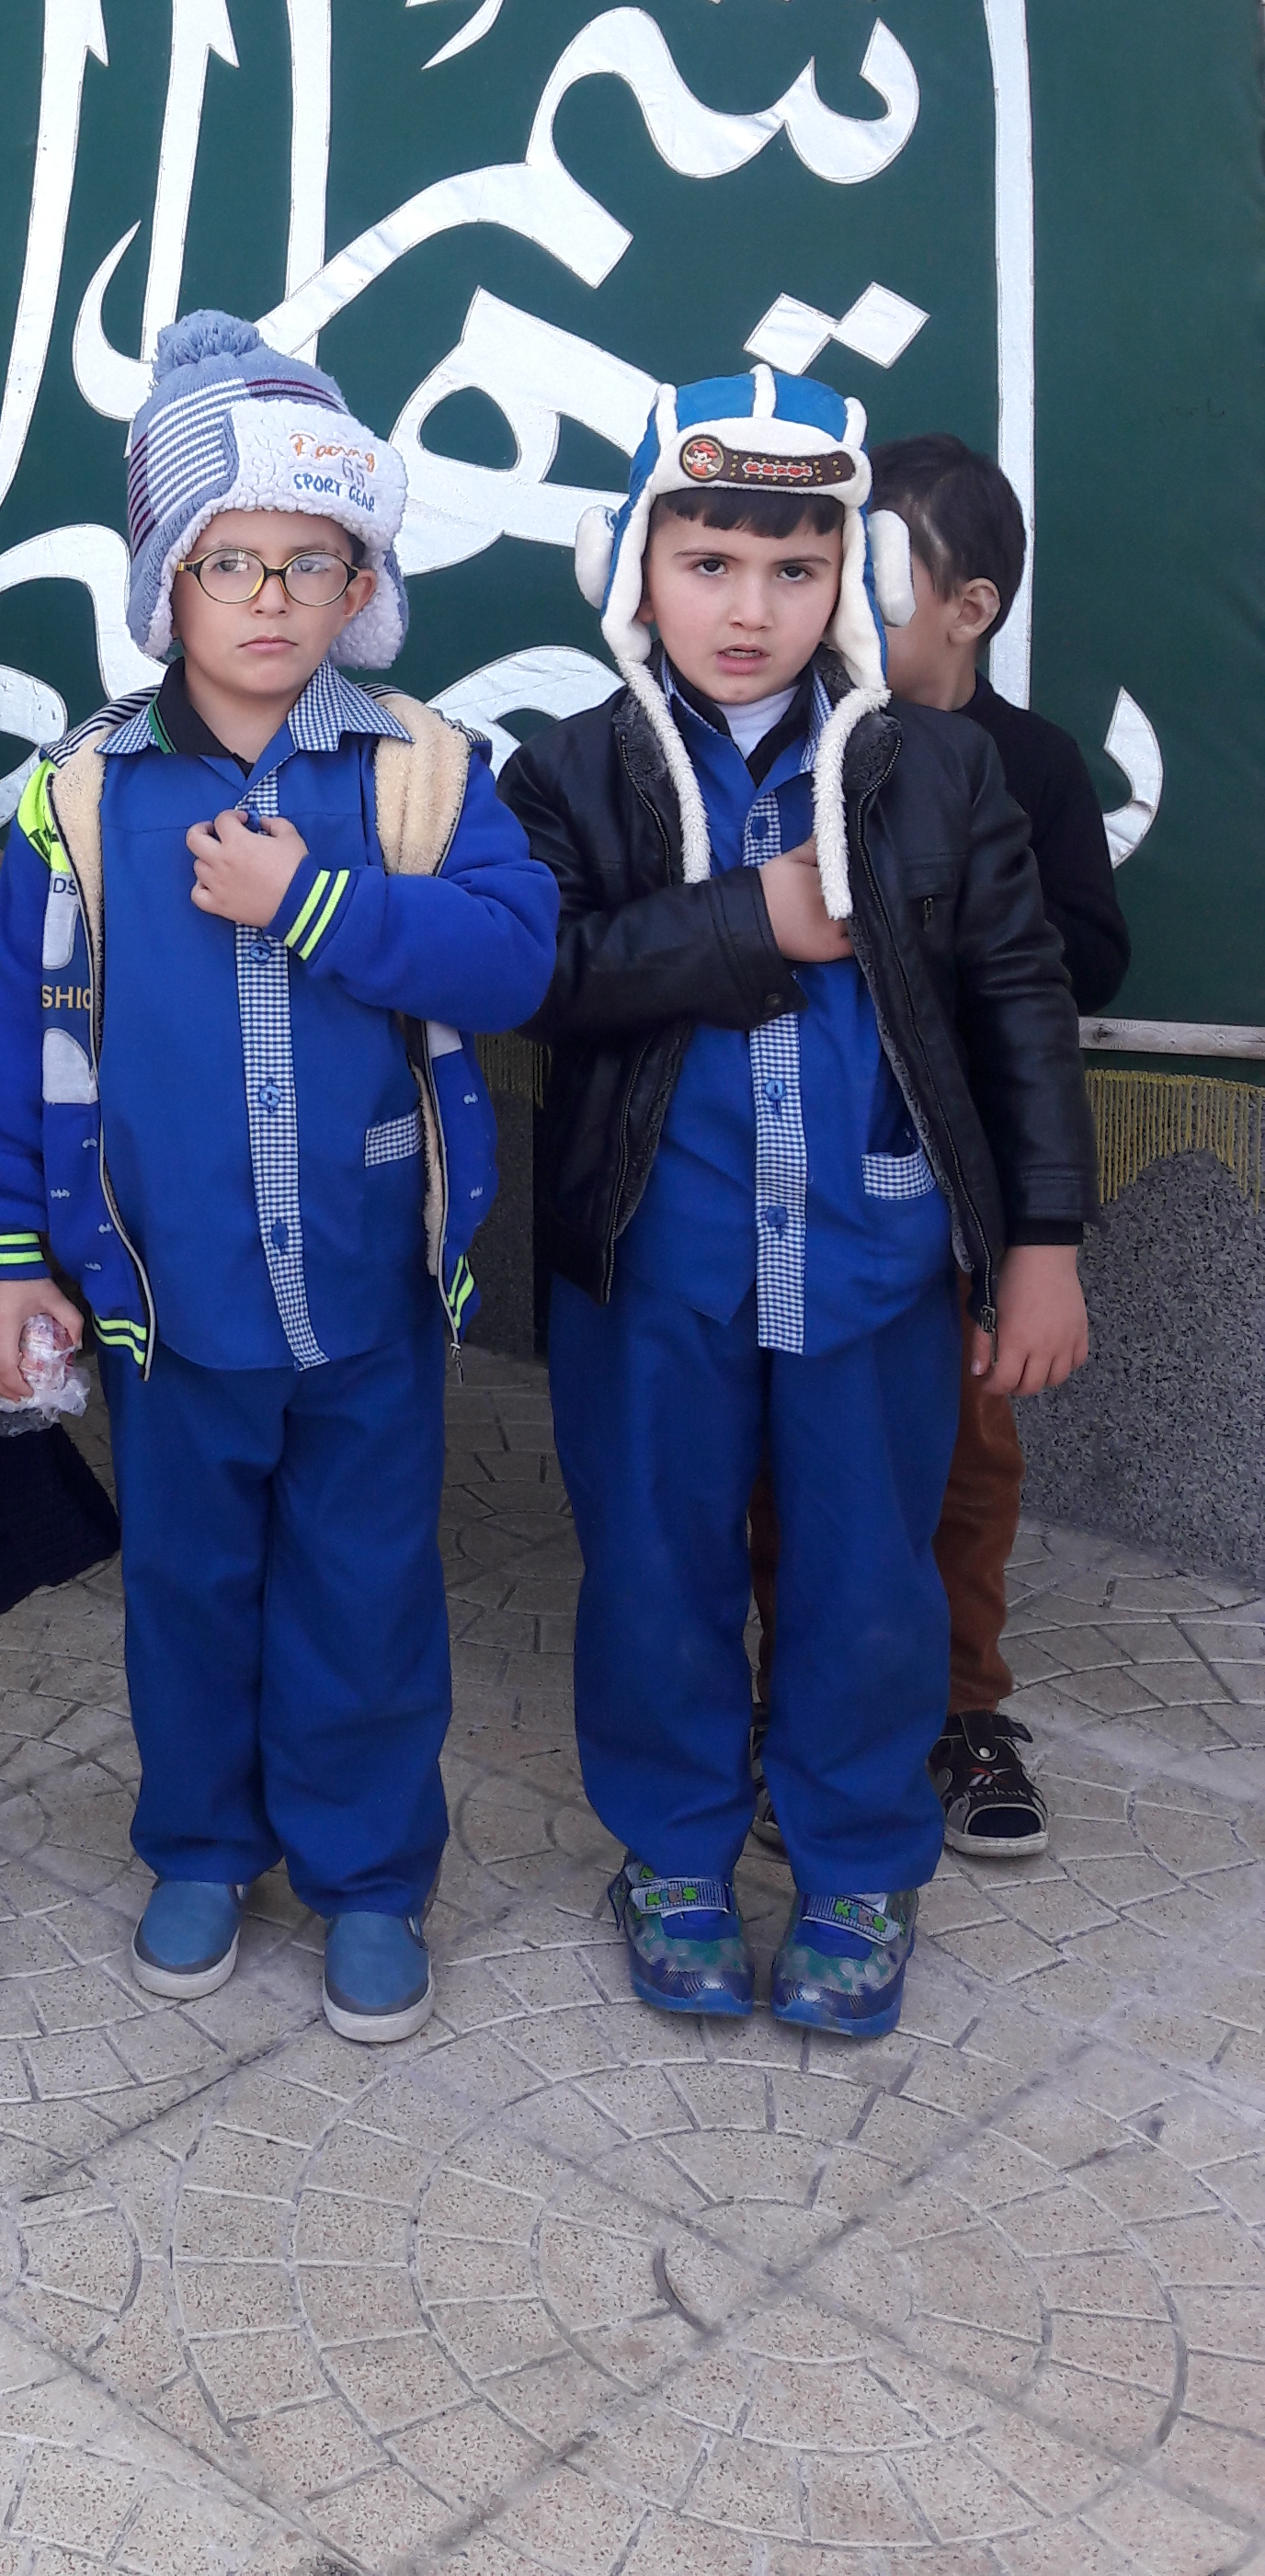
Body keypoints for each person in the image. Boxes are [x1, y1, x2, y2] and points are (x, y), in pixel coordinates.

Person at [0, 311, 558, 2044]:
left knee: (368, 1591)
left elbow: (516, 960)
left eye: (311, 561)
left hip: (372, 1291)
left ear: (361, 577)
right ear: (168, 585)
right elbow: (24, 1046)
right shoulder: (86, 796)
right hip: (169, 1299)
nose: (273, 599)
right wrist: (8, 1255)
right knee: (189, 1593)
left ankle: (368, 1873)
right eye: (231, 562)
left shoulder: (421, 769)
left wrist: (318, 905)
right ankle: (205, 1847)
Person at [503, 371, 1092, 2041]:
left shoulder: (942, 773)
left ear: (857, 580)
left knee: (868, 1583)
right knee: (655, 1573)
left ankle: (857, 1866)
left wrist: (1041, 1241)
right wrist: (748, 921)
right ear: (634, 567)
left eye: (795, 567)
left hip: (878, 1263)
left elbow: (1021, 1007)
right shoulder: (567, 774)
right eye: (708, 563)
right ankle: (677, 1854)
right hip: (652, 1270)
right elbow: (540, 977)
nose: (749, 608)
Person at [746, 433, 1131, 1863]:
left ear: (968, 607)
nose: (830, 602)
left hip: (957, 1193)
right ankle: (798, 1711)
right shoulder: (783, 752)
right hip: (809, 1178)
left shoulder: (1029, 766)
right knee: (788, 1466)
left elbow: (1080, 960)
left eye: (871, 574)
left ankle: (961, 1707)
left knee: (963, 1464)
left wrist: (948, 924)